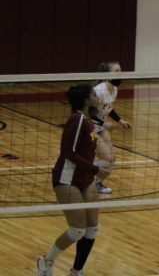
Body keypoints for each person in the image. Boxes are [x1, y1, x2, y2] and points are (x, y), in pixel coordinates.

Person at [36, 84, 108, 276]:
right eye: (93, 93)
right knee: (77, 230)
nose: (96, 95)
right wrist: (96, 170)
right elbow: (69, 152)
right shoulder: (76, 120)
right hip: (67, 179)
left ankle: (77, 271)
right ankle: (46, 262)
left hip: (86, 177)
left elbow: (91, 145)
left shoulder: (89, 118)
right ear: (85, 100)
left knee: (92, 228)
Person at [92, 61, 132, 195]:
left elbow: (108, 108)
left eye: (121, 70)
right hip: (90, 129)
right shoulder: (99, 91)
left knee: (111, 159)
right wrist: (103, 123)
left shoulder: (114, 90)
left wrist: (120, 121)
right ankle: (86, 179)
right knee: (107, 158)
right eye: (117, 71)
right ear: (108, 74)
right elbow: (88, 114)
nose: (120, 73)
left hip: (100, 127)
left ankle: (95, 183)